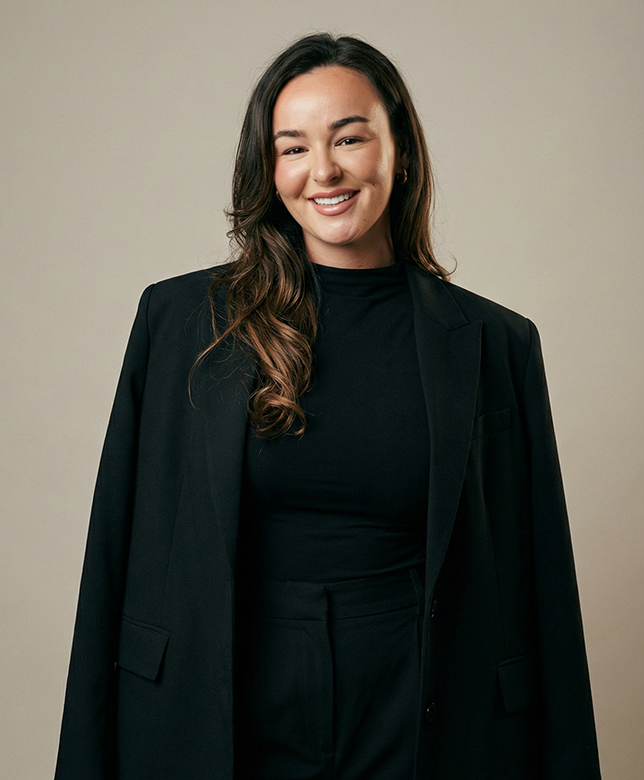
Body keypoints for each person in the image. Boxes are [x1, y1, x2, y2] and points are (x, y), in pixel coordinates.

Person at [54, 33, 601, 780]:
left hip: (423, 710)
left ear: (400, 152)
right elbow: (112, 555)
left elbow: (545, 589)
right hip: (219, 702)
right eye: (293, 148)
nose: (324, 170)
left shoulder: (497, 342)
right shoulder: (180, 322)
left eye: (349, 138)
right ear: (269, 169)